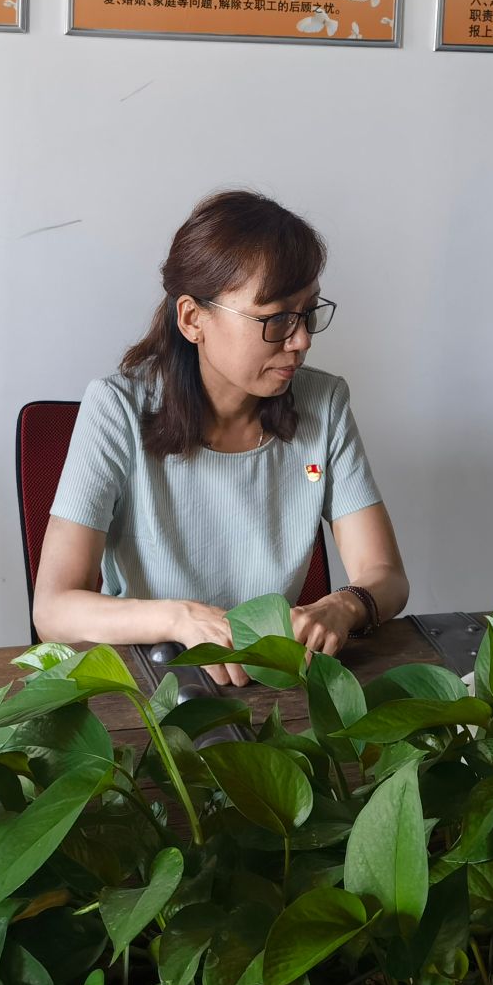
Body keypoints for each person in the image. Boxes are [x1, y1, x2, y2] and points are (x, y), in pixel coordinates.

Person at [34, 191, 407, 682]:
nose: (301, 339)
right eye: (275, 318)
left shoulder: (324, 403)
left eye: (308, 312)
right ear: (193, 319)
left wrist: (344, 605)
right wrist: (180, 619)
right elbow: (54, 609)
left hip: (273, 681)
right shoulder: (116, 408)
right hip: (151, 682)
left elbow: (387, 577)